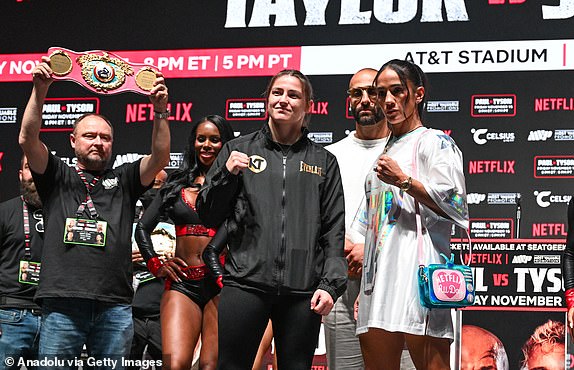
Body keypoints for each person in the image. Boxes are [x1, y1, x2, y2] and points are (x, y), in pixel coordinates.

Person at [18, 55, 170, 369]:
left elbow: (159, 157)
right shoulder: (56, 175)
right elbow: (27, 139)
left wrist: (159, 111)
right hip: (63, 302)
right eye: (90, 135)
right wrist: (40, 89)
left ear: (113, 144)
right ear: (73, 141)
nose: (98, 142)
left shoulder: (126, 179)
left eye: (105, 137)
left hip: (114, 304)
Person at [197, 69, 348, 369]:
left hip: (303, 291)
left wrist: (331, 285)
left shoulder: (323, 161)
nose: (284, 100)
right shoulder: (237, 151)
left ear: (308, 106)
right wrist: (226, 175)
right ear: (266, 99)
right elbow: (208, 214)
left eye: (294, 95)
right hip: (245, 284)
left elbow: (333, 231)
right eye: (277, 93)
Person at [351, 59, 469, 370]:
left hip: (418, 278)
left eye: (396, 92)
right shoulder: (384, 154)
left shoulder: (435, 142)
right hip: (377, 284)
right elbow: (370, 223)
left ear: (417, 95)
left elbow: (456, 204)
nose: (387, 101)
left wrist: (404, 180)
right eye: (380, 94)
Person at [135, 115, 234, 370]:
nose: (207, 145)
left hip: (220, 285)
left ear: (226, 144)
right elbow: (143, 228)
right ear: (193, 143)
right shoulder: (176, 184)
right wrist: (156, 264)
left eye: (215, 140)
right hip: (181, 285)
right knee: (175, 365)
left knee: (211, 366)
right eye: (201, 139)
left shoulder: (235, 184)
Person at [323, 68, 389, 370]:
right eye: (356, 93)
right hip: (343, 279)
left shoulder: (408, 149)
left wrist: (372, 250)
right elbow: (315, 218)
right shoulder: (328, 155)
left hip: (394, 281)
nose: (364, 99)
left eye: (372, 92)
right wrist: (340, 246)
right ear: (348, 100)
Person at [0, 155, 44, 370]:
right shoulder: (4, 212)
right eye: (29, 168)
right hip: (9, 316)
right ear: (20, 175)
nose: (35, 174)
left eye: (40, 167)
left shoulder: (64, 214)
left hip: (54, 319)